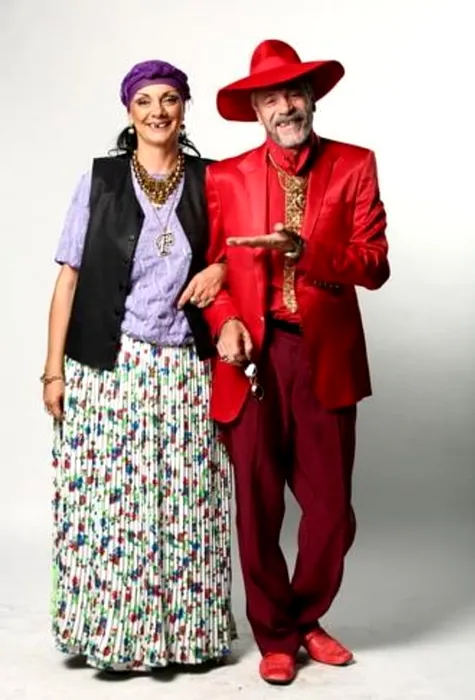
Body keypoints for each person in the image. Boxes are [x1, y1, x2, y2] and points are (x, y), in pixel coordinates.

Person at [202, 39, 390, 685]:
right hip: (253, 359)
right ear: (256, 110)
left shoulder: (355, 164)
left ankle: (305, 617)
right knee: (256, 509)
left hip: (324, 356)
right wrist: (224, 321)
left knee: (331, 512)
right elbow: (212, 271)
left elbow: (374, 265)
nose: (284, 107)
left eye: (293, 93)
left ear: (310, 98)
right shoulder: (225, 177)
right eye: (270, 98)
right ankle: (275, 635)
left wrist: (305, 251)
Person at [42, 59, 234, 672]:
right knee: (110, 507)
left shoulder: (213, 180)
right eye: (145, 100)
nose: (157, 111)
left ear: (184, 108)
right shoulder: (99, 181)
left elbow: (240, 254)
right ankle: (112, 636)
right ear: (129, 111)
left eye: (169, 99)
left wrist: (221, 267)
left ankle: (188, 639)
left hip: (186, 366)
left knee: (188, 502)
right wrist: (53, 371)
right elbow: (68, 280)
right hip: (110, 365)